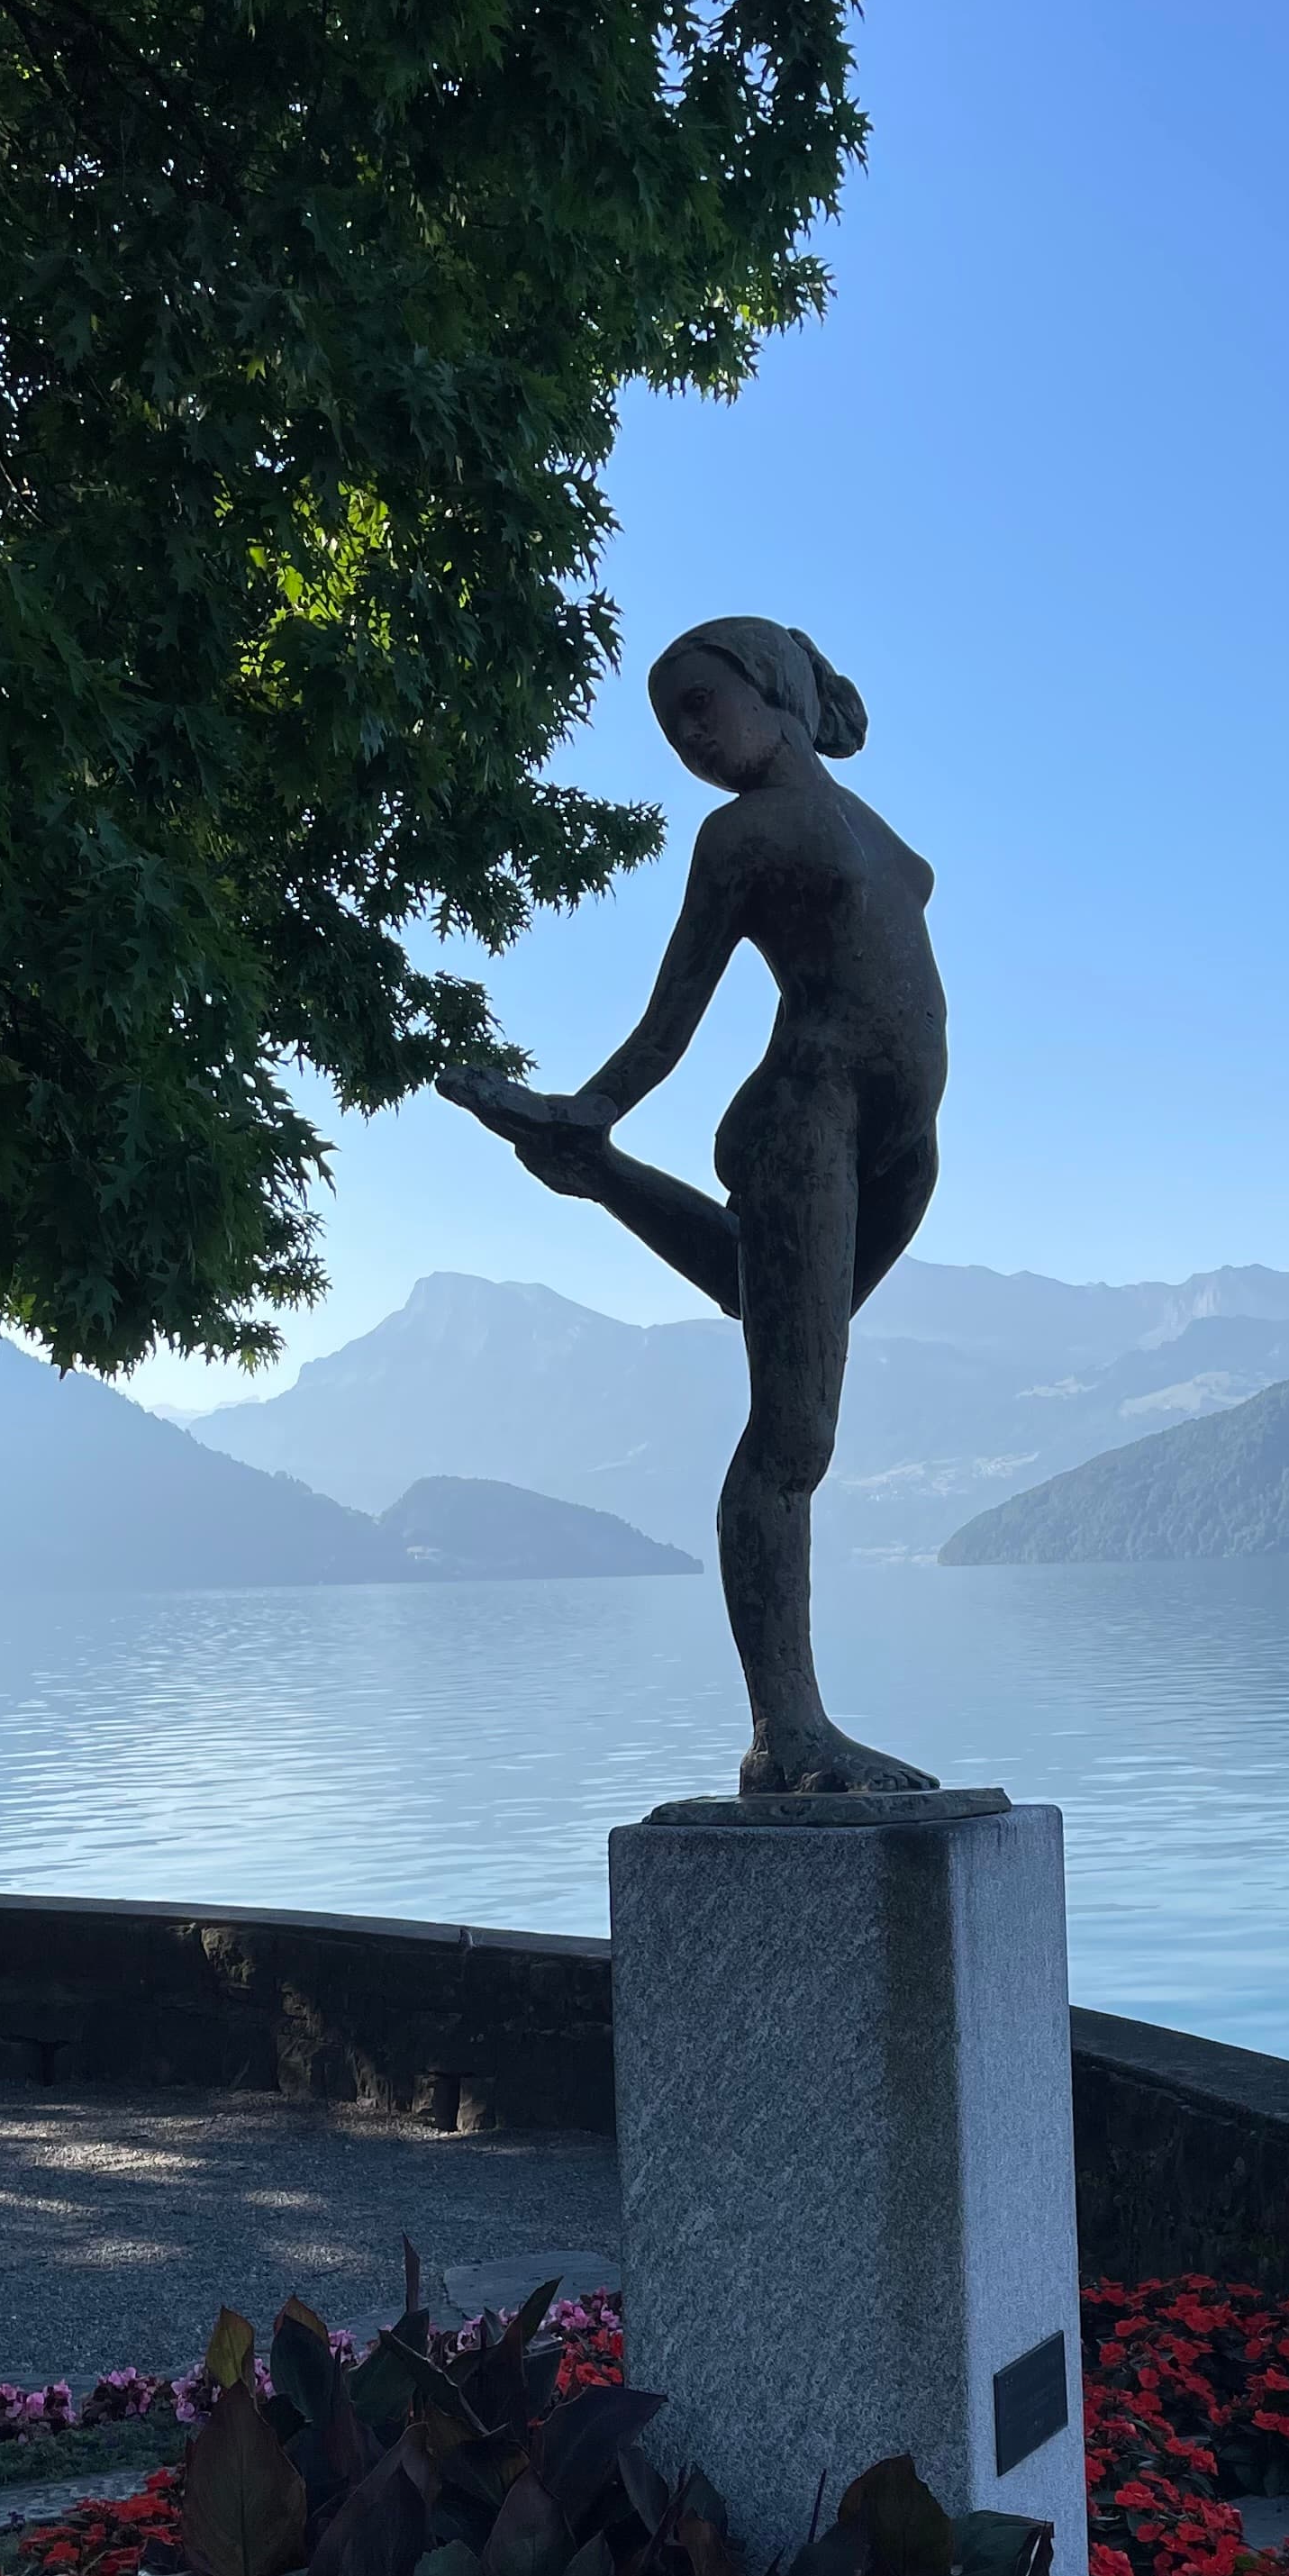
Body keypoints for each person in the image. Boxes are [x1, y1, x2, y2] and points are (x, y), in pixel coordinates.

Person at [440, 616, 948, 1795]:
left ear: (771, 691)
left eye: (698, 707)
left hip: (898, 1151)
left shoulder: (852, 819)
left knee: (761, 1305)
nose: (686, 738)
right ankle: (790, 1735)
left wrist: (593, 1149)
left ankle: (597, 1181)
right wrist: (590, 1110)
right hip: (805, 1118)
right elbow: (676, 1014)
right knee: (791, 1436)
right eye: (670, 727)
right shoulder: (738, 838)